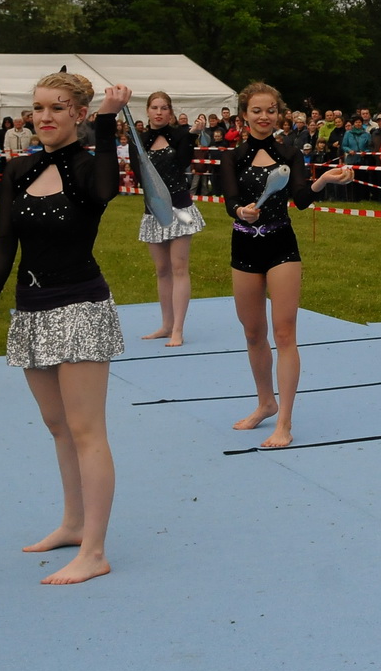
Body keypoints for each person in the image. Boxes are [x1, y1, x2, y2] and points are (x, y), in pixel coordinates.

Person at [0, 72, 131, 585]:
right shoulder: (17, 169)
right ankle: (73, 523)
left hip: (80, 307)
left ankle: (96, 551)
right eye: (38, 107)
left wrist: (107, 122)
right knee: (58, 427)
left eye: (58, 108)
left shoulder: (86, 168)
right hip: (31, 311)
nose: (44, 116)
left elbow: (107, 190)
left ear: (78, 114)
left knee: (86, 431)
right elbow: (2, 240)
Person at [218, 82, 355, 449]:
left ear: (279, 114)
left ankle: (285, 422)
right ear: (245, 114)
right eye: (257, 111)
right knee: (252, 332)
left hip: (281, 245)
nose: (264, 117)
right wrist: (240, 211)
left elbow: (300, 199)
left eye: (271, 111)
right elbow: (229, 199)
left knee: (284, 334)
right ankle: (265, 402)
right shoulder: (232, 157)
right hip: (243, 245)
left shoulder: (291, 154)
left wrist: (322, 180)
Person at [134, 91, 207, 347]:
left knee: (179, 268)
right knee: (162, 270)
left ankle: (178, 328)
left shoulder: (180, 136)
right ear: (147, 110)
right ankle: (166, 325)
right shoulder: (139, 140)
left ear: (171, 112)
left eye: (164, 108)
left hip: (181, 209)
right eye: (155, 107)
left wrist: (193, 134)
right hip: (153, 212)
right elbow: (137, 173)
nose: (159, 112)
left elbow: (185, 161)